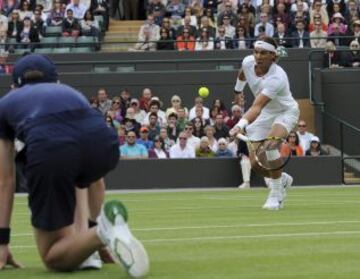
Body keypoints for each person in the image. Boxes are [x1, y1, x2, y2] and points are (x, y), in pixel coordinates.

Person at [0, 54, 149, 275]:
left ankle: (103, 232)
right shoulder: (71, 93)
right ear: (56, 81)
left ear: (14, 86)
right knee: (81, 173)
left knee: (53, 256)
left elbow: (5, 180)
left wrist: (2, 241)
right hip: (103, 144)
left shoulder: (6, 103)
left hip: (52, 148)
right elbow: (91, 176)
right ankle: (92, 243)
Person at [230, 37, 300, 210]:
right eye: (256, 52)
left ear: (273, 56)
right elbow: (242, 72)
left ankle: (276, 194)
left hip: (285, 111)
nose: (258, 56)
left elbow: (257, 106)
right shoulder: (248, 62)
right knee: (257, 164)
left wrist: (240, 124)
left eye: (263, 53)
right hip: (264, 114)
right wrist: (237, 90)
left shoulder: (277, 77)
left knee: (270, 144)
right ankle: (281, 178)